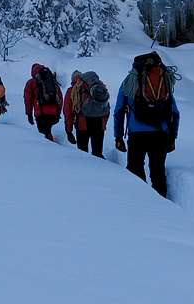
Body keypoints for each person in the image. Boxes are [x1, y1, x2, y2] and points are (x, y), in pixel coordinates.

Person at [114, 52, 180, 197]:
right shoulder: (164, 80)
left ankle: (142, 203)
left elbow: (119, 110)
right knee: (158, 171)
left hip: (137, 134)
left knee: (135, 169)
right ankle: (162, 203)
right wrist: (172, 137)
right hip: (160, 134)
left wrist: (118, 136)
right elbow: (175, 112)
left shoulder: (130, 81)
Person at [66, 70, 110, 158]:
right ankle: (101, 170)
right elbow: (106, 108)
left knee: (83, 154)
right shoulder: (99, 87)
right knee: (97, 153)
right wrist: (103, 124)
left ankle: (84, 171)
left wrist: (69, 130)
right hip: (99, 123)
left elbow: (68, 111)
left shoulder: (73, 90)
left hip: (83, 124)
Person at [24, 63, 63, 142]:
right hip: (53, 112)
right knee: (47, 129)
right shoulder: (52, 81)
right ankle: (51, 144)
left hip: (41, 112)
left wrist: (29, 114)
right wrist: (58, 112)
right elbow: (60, 97)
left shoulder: (32, 82)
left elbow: (28, 100)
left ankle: (50, 148)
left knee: (43, 132)